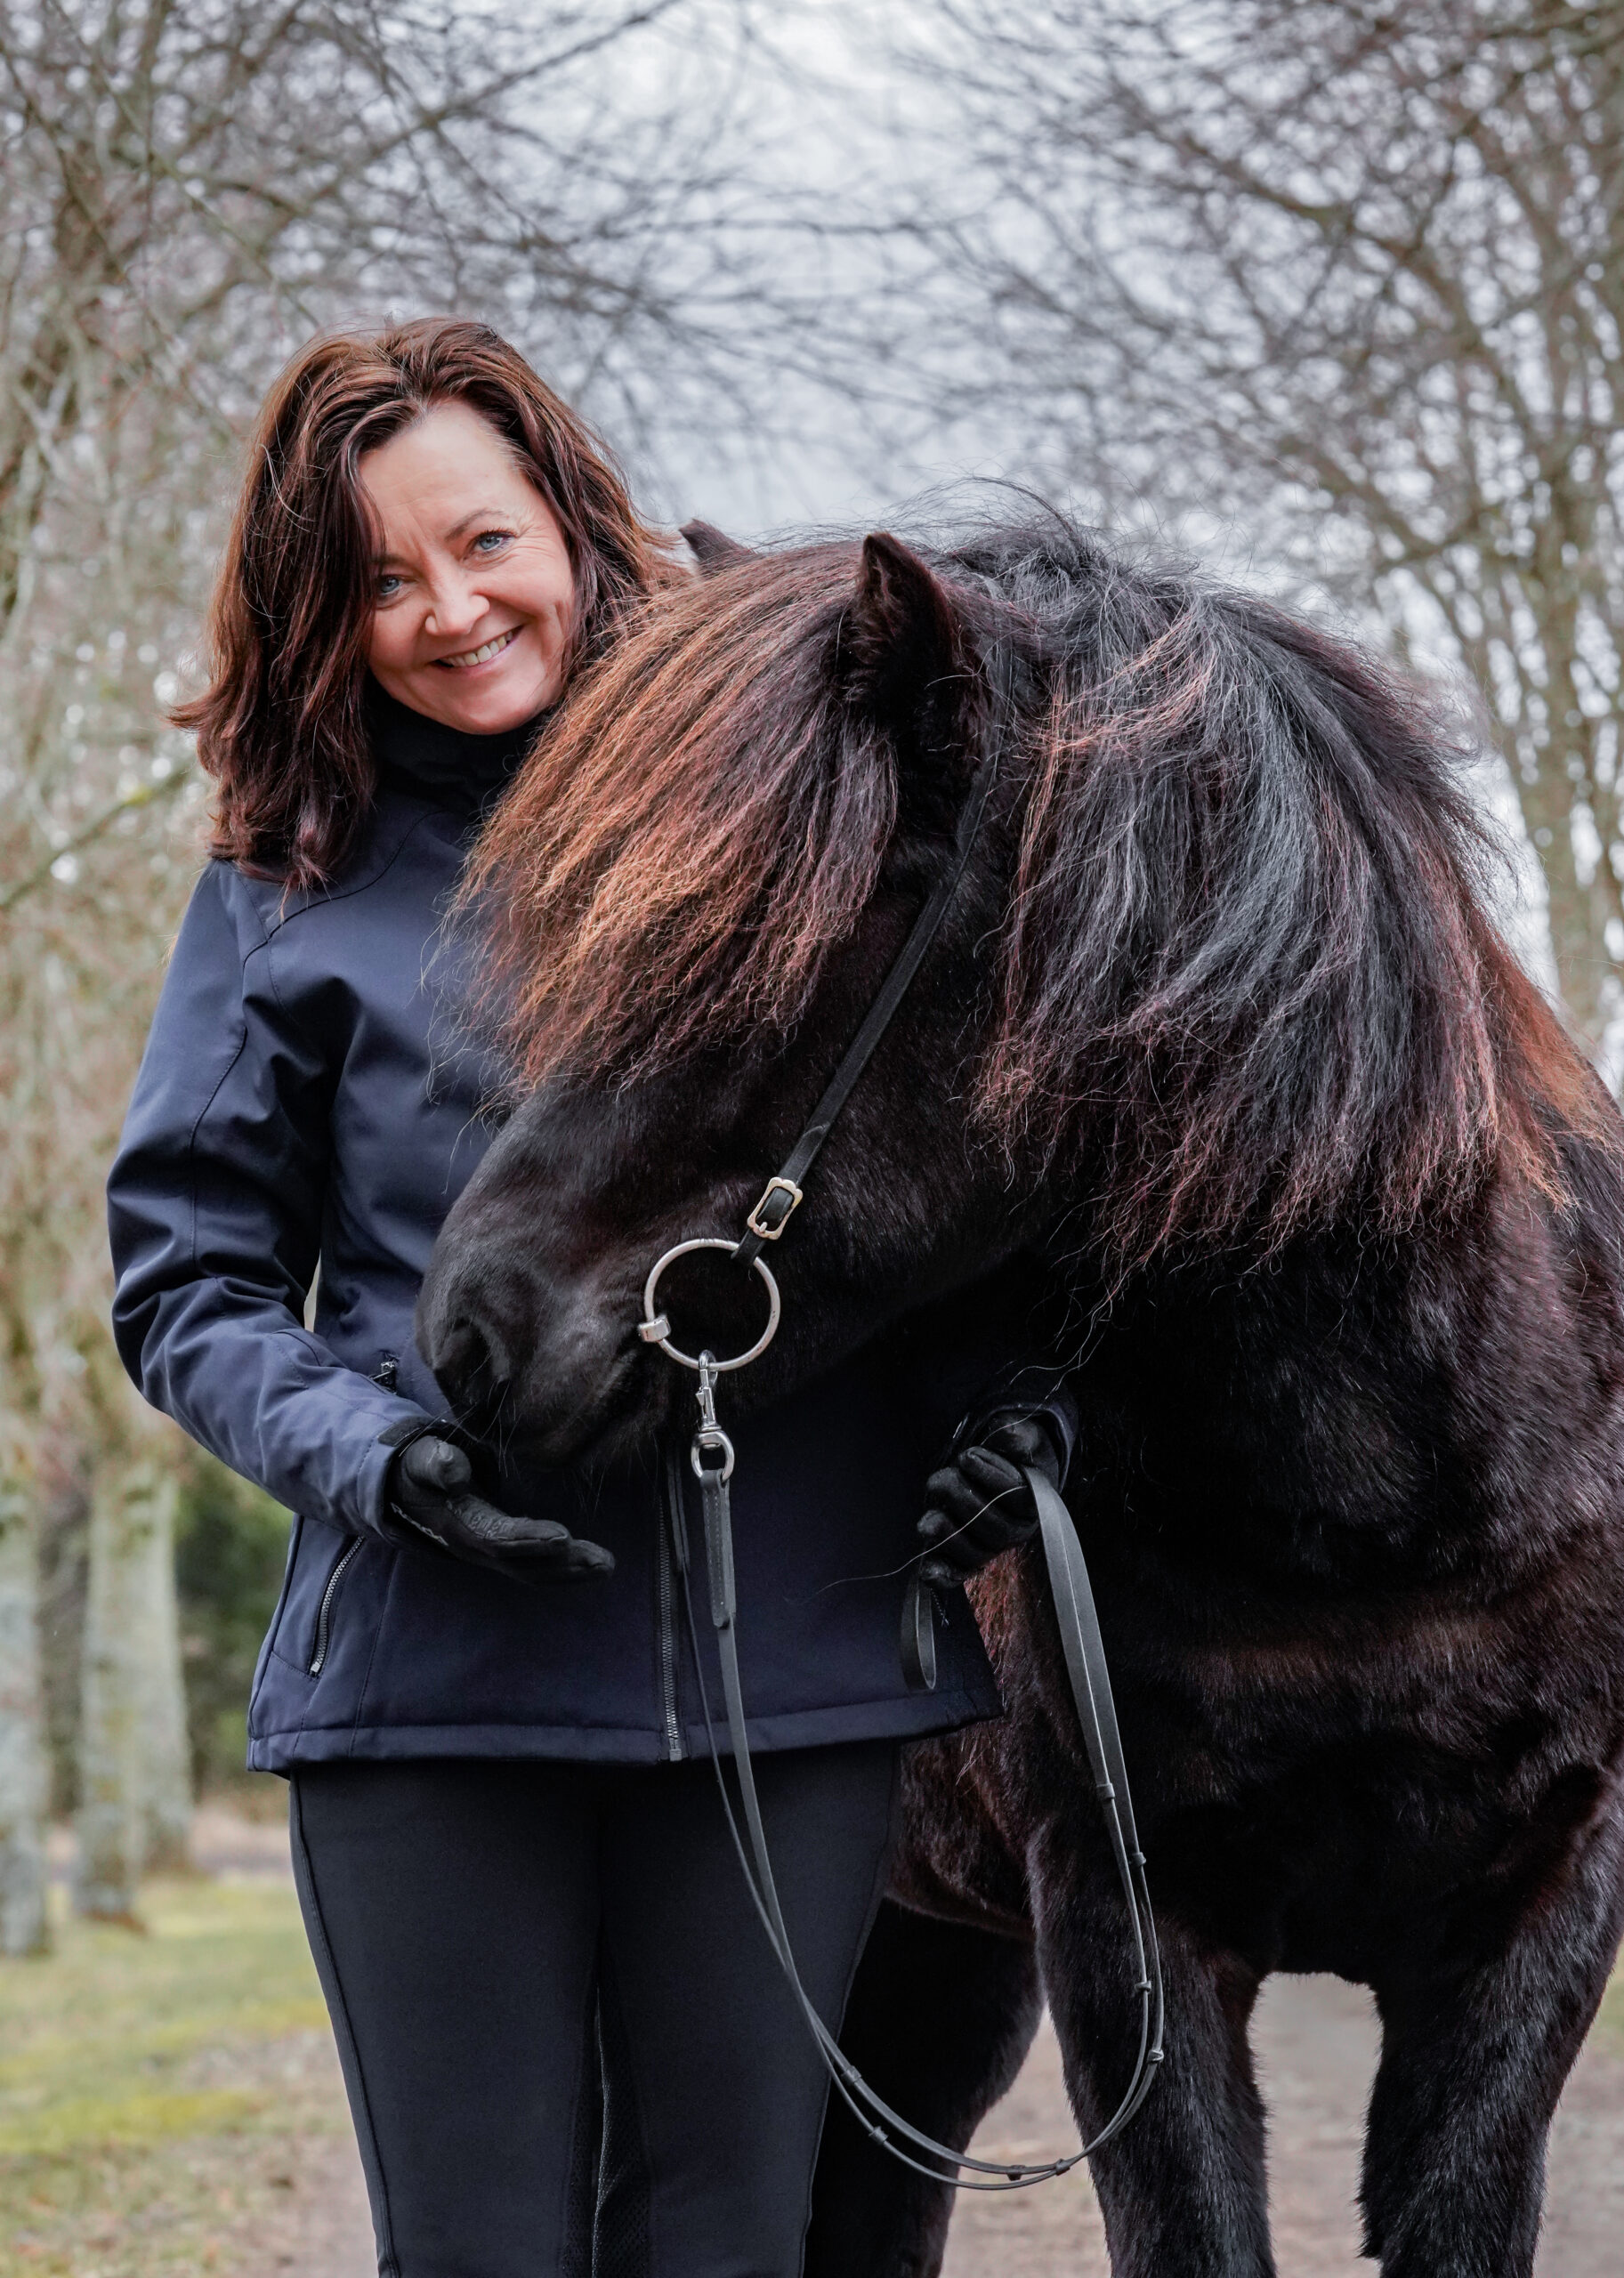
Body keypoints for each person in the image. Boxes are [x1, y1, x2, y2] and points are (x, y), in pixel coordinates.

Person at [107, 318, 1072, 2278]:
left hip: (790, 1673)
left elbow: (927, 1161)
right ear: (320, 617)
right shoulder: (288, 880)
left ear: (568, 517)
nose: (449, 610)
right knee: (479, 2246)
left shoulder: (787, 816)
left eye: (481, 540)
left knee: (725, 2238)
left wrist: (1011, 1400)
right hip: (429, 1677)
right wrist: (373, 1452)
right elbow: (189, 1276)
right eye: (378, 580)